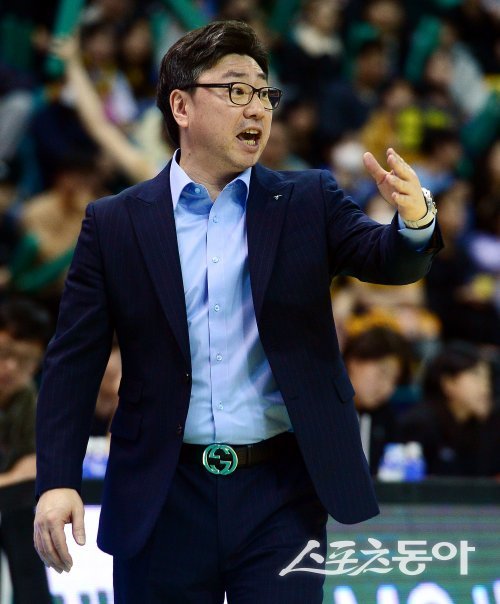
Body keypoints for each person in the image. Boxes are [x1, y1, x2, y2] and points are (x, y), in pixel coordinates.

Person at [34, 20, 442, 604]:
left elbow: (387, 260)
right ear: (181, 106)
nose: (256, 107)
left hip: (282, 492)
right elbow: (73, 362)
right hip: (161, 492)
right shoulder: (115, 222)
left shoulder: (308, 199)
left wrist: (415, 221)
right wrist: (57, 481)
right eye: (235, 90)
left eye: (264, 93)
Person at [0, 297, 52, 603]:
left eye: (25, 360)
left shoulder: (30, 402)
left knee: (26, 512)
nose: (10, 367)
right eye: (5, 353)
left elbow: (32, 468)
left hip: (9, 510)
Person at [398, 342, 500, 477]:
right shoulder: (421, 425)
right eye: (476, 376)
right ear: (448, 383)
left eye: (487, 378)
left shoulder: (486, 425)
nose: (485, 386)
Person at [343, 326, 413, 475]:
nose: (386, 388)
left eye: (394, 381)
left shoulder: (388, 420)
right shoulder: (322, 412)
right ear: (353, 362)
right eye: (382, 373)